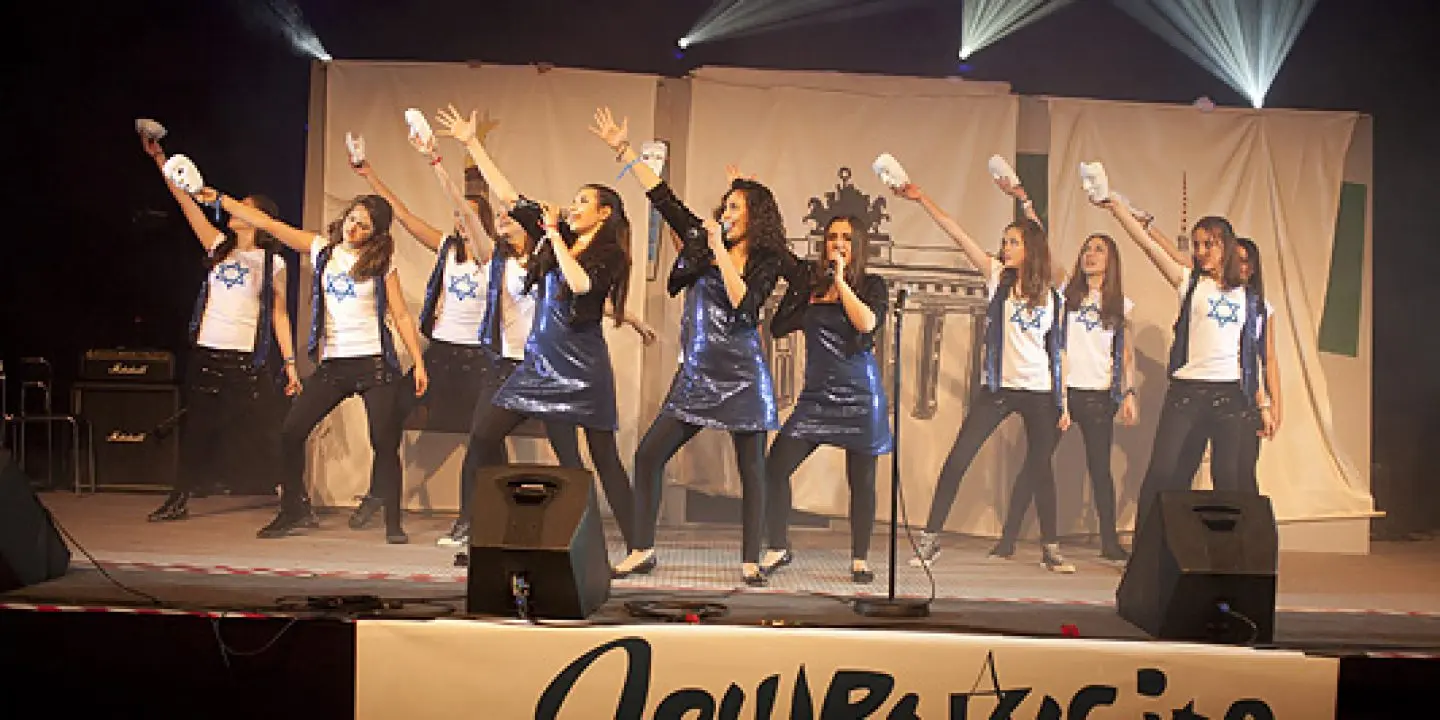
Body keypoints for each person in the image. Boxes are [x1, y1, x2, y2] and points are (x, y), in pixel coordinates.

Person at [593, 108, 795, 586]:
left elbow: (746, 306)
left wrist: (720, 252)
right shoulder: (701, 241)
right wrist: (625, 151)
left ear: (756, 216)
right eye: (725, 207)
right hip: (699, 372)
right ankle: (641, 549)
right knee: (649, 455)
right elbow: (664, 199)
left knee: (752, 469)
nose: (725, 214)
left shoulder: (767, 259)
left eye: (735, 208)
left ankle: (751, 560)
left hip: (743, 373)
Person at [435, 105, 639, 554]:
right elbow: (510, 196)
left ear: (604, 213)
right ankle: (491, 528)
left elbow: (581, 285)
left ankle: (639, 545)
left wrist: (555, 236)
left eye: (583, 201)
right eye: (574, 200)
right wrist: (472, 143)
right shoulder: (557, 233)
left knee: (603, 458)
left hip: (583, 368)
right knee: (484, 435)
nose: (573, 206)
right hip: (540, 365)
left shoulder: (608, 253)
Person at [197, 179, 428, 544]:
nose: (353, 228)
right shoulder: (323, 249)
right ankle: (293, 508)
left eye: (363, 225)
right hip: (334, 365)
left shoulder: (383, 263)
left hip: (374, 364)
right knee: (291, 432)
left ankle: (393, 522)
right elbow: (270, 225)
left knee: (383, 442)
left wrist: (418, 361)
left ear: (376, 233)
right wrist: (222, 200)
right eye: (352, 219)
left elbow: (399, 315)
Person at [894, 176, 1075, 573]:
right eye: (1004, 241)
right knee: (959, 458)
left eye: (1013, 242)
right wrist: (922, 198)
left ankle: (1051, 548)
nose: (1005, 247)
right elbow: (957, 232)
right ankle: (930, 539)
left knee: (1042, 468)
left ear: (1030, 248)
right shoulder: (997, 277)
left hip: (1040, 392)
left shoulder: (1052, 293)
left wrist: (1063, 402)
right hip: (998, 389)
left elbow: (1058, 352)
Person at [140, 131, 299, 522]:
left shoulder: (272, 262)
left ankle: (295, 499)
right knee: (197, 429)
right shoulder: (218, 246)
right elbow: (185, 201)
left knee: (268, 430)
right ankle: (179, 498)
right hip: (208, 351)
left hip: (246, 360)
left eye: (245, 208)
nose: (235, 211)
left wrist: (290, 362)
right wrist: (161, 160)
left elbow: (279, 315)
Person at [1094, 192, 1276, 532]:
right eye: (1197, 245)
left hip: (1231, 396)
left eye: (1209, 244)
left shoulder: (1249, 298)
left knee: (1229, 477)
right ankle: (1150, 546)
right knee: (1164, 471)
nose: (1201, 251)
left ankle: (1230, 549)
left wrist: (1263, 404)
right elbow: (1149, 247)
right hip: (1186, 393)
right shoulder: (1189, 283)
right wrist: (1118, 209)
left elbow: (1251, 357)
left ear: (1226, 246)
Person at [995, 178, 1138, 561]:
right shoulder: (1064, 293)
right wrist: (1027, 205)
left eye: (1099, 250)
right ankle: (1008, 538)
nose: (1090, 255)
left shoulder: (1120, 304)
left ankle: (1109, 542)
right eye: (1087, 249)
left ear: (1111, 260)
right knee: (1036, 461)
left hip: (1099, 396)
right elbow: (1042, 244)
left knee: (1100, 471)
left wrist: (1128, 392)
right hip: (1062, 393)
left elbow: (1125, 353)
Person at [761, 215, 892, 583]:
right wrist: (803, 289)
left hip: (860, 395)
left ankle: (860, 558)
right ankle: (778, 546)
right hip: (817, 398)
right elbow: (779, 325)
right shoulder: (812, 287)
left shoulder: (872, 285)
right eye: (832, 236)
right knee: (775, 467)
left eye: (846, 238)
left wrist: (841, 282)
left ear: (858, 245)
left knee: (861, 481)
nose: (838, 243)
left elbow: (866, 323)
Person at [1171, 237, 1280, 495]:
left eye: (1246, 261)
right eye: (1235, 259)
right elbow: (1179, 261)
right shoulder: (1204, 288)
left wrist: (1273, 404)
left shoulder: (1260, 307)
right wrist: (1149, 229)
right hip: (1202, 391)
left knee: (1238, 475)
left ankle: (1245, 522)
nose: (1241, 266)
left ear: (1253, 268)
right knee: (1181, 470)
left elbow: (1268, 358)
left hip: (1245, 397)